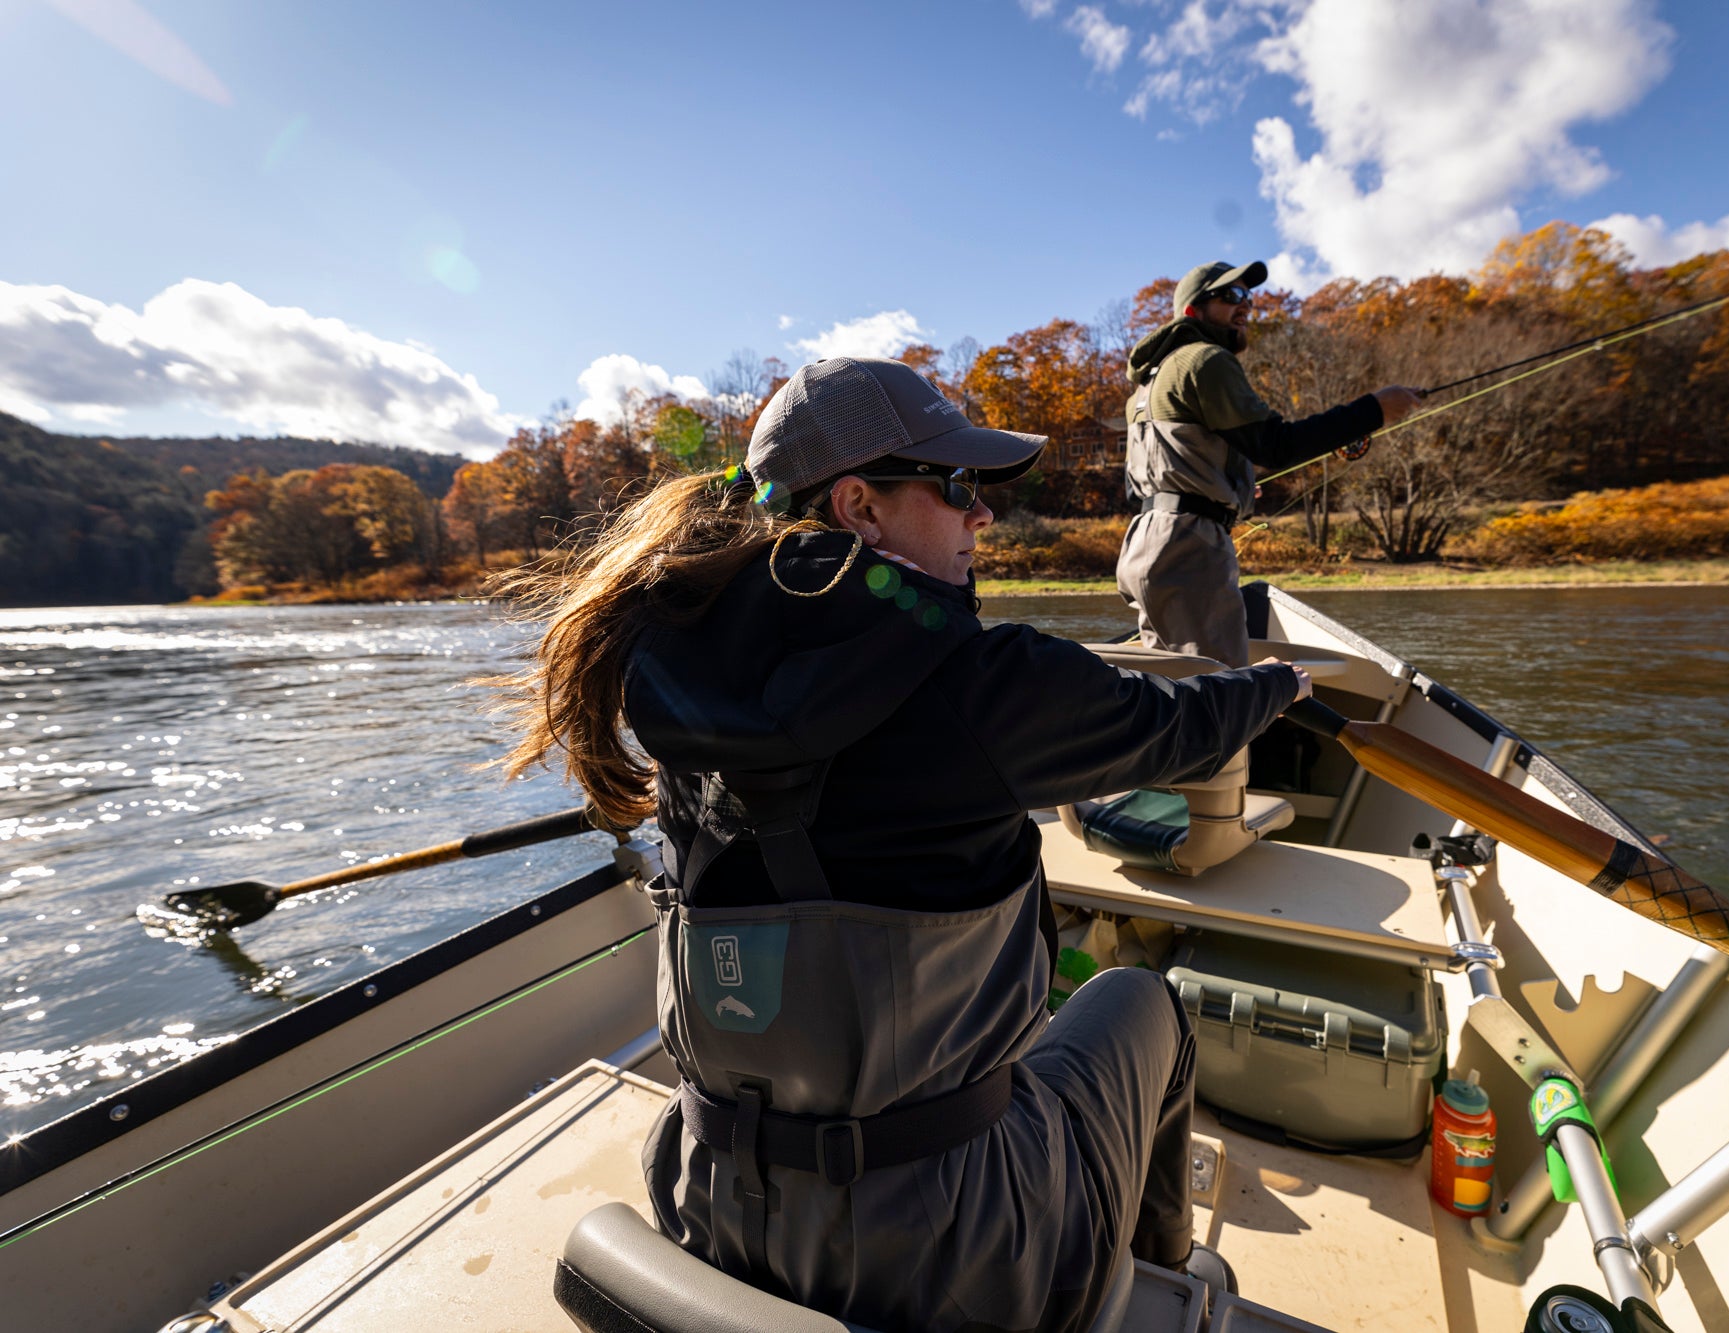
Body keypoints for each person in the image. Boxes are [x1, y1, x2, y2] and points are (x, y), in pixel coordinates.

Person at [495, 355, 1312, 1333]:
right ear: (859, 507)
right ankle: (1157, 1283)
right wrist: (1279, 685)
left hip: (707, 1201)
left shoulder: (670, 679)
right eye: (957, 485)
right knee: (1144, 1003)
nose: (983, 515)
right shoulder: (984, 681)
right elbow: (1177, 727)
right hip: (961, 1252)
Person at [1118, 259, 1425, 667]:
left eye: (1247, 296)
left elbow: (1151, 481)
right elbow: (1277, 446)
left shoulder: (1146, 384)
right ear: (1193, 310)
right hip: (1189, 551)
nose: (1245, 305)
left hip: (1144, 545)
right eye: (1230, 296)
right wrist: (1374, 410)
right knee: (1218, 693)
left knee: (1175, 689)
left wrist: (1228, 488)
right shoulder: (1205, 360)